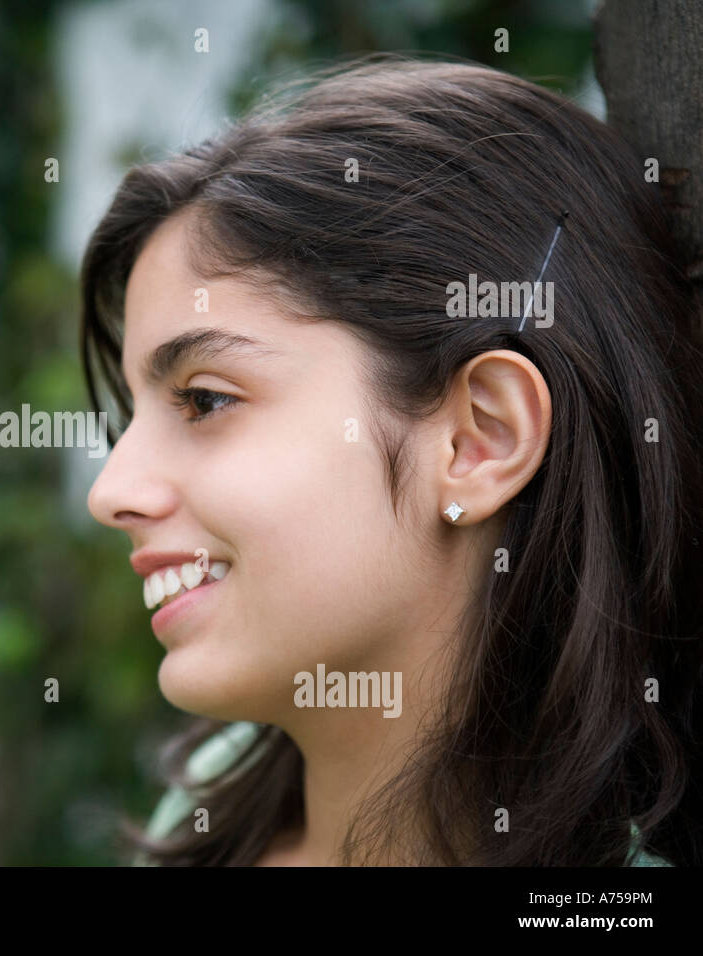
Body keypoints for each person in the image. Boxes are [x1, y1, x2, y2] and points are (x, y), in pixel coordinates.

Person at [79, 57, 703, 866]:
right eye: (131, 417)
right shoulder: (197, 807)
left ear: (483, 438)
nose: (111, 492)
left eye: (204, 400)